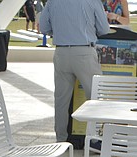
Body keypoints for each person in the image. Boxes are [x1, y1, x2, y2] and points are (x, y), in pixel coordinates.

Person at [39, 0, 110, 143]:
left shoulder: (52, 2)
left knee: (61, 100)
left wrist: (61, 31)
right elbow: (104, 29)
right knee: (96, 96)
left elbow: (44, 28)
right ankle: (95, 140)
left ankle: (61, 139)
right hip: (84, 51)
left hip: (61, 52)